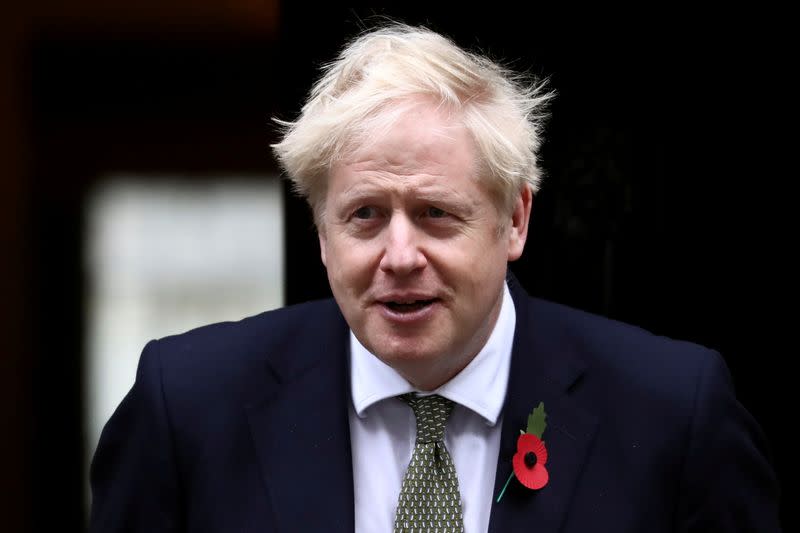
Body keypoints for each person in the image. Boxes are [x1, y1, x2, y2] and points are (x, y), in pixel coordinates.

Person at [89, 23, 782, 532]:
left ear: (514, 220)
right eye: (364, 214)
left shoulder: (671, 413)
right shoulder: (187, 407)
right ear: (322, 234)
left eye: (435, 213)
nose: (399, 254)